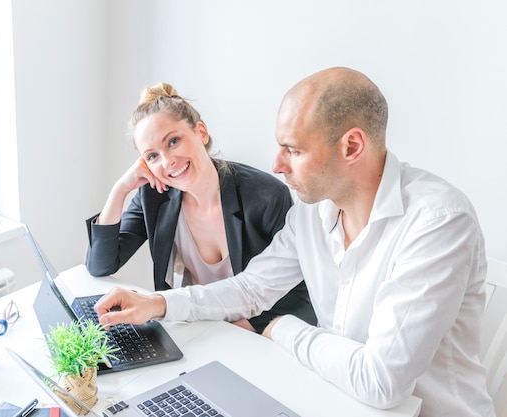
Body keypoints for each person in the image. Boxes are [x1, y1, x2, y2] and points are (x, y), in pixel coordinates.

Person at [94, 68, 495, 417]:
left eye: (293, 149)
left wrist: (283, 328)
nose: (276, 164)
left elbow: (382, 382)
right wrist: (159, 304)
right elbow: (251, 287)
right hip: (331, 395)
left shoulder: (438, 221)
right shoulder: (312, 212)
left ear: (351, 146)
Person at [85, 82, 316, 334]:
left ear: (201, 133)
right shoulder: (155, 195)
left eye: (173, 141)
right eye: (152, 156)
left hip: (249, 332)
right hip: (191, 325)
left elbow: (302, 291)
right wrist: (120, 189)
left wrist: (244, 328)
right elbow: (101, 264)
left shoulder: (266, 195)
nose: (167, 161)